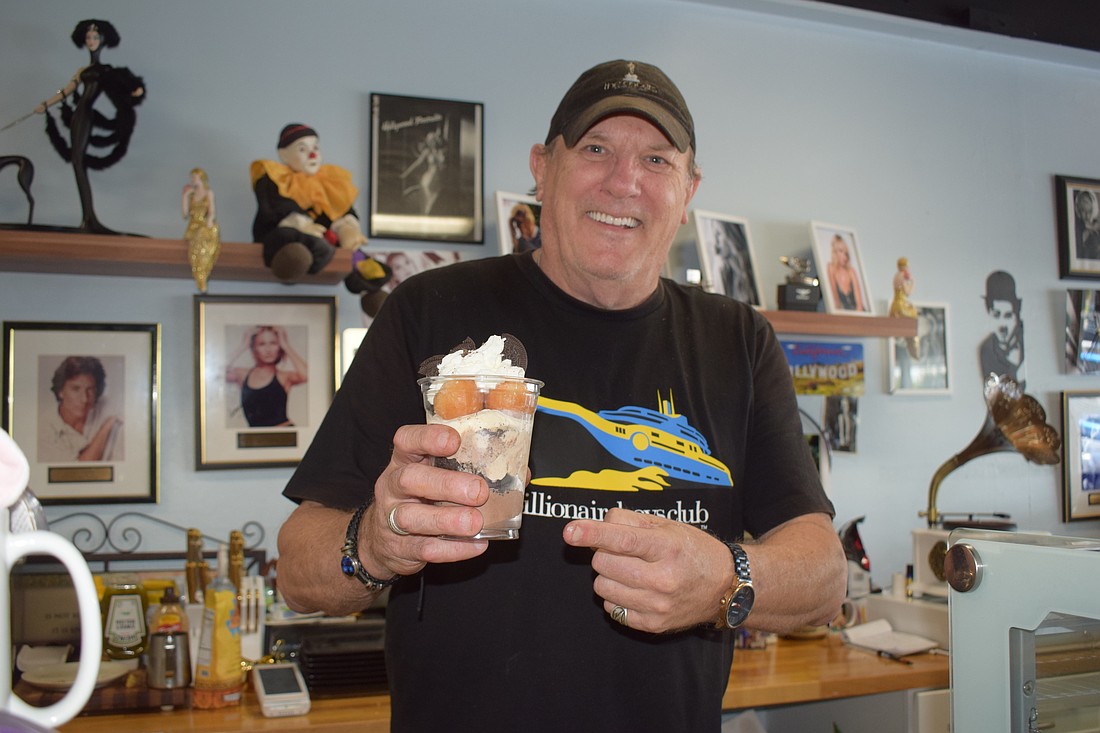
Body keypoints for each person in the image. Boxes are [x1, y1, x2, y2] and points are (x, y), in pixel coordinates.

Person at [276, 59, 845, 732]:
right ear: (543, 168)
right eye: (596, 148)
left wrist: (727, 578)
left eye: (657, 160)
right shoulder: (430, 308)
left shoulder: (739, 340)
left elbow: (824, 576)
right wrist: (371, 541)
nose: (624, 181)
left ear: (688, 190)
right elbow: (296, 566)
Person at [35, 19, 145, 234]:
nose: (91, 41)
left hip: (86, 114)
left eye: (95, 37)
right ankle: (88, 217)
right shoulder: (82, 70)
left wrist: (134, 90)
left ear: (103, 40)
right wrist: (46, 104)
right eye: (88, 38)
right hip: (78, 115)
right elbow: (65, 91)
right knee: (77, 162)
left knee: (78, 161)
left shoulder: (106, 71)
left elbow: (121, 86)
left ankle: (89, 217)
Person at [250, 124, 368, 282]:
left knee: (358, 255)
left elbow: (338, 210)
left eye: (315, 148)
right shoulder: (274, 178)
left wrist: (346, 228)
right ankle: (297, 262)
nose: (312, 155)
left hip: (322, 237)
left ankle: (365, 281)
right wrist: (302, 224)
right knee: (286, 237)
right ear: (284, 155)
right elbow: (275, 209)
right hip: (286, 235)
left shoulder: (329, 181)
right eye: (302, 149)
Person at [38, 356, 123, 462]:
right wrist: (106, 427)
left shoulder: (109, 406)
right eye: (75, 389)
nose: (84, 399)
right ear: (61, 391)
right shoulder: (44, 428)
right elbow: (78, 469)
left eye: (90, 389)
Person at [225, 326, 307, 428]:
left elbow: (306, 375)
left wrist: (286, 345)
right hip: (256, 439)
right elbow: (216, 375)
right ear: (254, 348)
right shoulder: (242, 374)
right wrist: (243, 346)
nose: (268, 350)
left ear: (279, 347)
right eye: (261, 344)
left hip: (284, 435)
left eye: (273, 343)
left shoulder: (284, 376)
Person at [980, 270, 1025, 388]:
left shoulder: (1028, 339)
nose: (1002, 325)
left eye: (1008, 316)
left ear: (1017, 314)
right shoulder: (987, 350)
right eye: (996, 315)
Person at [182, 167, 220, 293]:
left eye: (194, 177)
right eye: (191, 177)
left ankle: (203, 275)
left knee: (206, 241)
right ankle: (200, 277)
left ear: (201, 178)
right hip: (193, 227)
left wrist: (209, 221)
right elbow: (185, 214)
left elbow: (212, 212)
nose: (192, 180)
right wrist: (185, 196)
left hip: (204, 225)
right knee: (195, 248)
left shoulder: (208, 192)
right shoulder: (191, 195)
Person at [826, 233, 866, 312]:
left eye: (846, 253)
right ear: (835, 252)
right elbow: (835, 300)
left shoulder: (851, 271)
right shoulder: (831, 268)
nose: (844, 256)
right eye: (841, 251)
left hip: (858, 315)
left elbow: (859, 304)